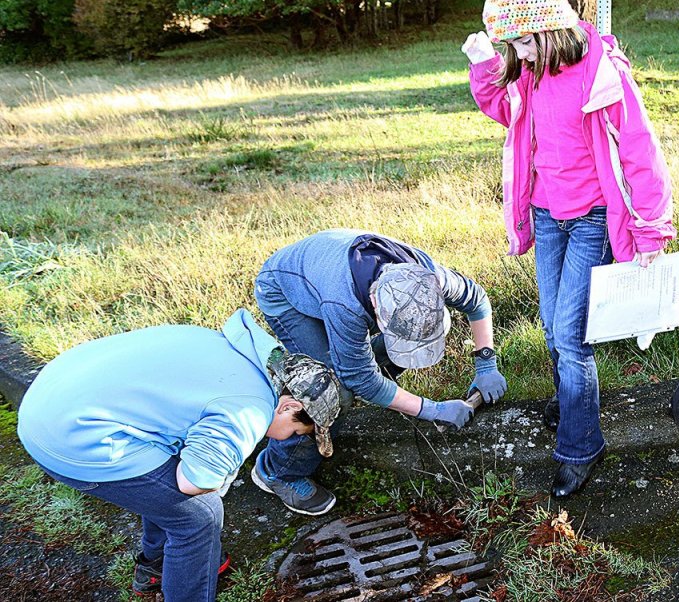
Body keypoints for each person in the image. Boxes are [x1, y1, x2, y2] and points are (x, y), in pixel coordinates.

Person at [463, 0, 675, 498]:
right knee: (554, 328)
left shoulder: (601, 69)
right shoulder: (528, 68)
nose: (521, 55)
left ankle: (581, 446)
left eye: (526, 42)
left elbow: (639, 149)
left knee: (569, 336)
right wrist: (487, 63)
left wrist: (651, 228)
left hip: (591, 220)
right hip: (546, 215)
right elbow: (502, 110)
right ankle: (571, 400)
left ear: (552, 26)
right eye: (513, 46)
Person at [16, 309, 343, 602]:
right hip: (72, 440)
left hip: (50, 397)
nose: (290, 438)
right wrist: (218, 476)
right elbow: (194, 483)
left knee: (165, 483)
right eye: (298, 431)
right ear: (290, 406)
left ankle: (156, 564)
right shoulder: (249, 408)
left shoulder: (238, 353)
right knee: (201, 515)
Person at [252, 228, 506, 514]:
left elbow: (477, 300)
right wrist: (431, 409)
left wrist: (486, 362)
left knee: (438, 324)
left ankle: (384, 385)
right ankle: (278, 471)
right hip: (285, 293)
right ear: (376, 308)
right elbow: (358, 377)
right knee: (328, 391)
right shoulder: (345, 306)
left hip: (326, 274)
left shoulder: (429, 277)